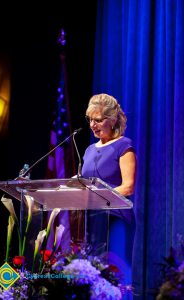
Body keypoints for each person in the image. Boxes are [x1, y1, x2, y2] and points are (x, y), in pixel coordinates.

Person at [81, 93, 137, 296]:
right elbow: (82, 184)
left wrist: (98, 196)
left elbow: (128, 187)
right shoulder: (88, 150)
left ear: (112, 120)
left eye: (98, 120)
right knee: (93, 273)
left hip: (116, 219)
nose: (92, 125)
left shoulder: (124, 146)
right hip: (92, 219)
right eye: (90, 120)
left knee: (116, 272)